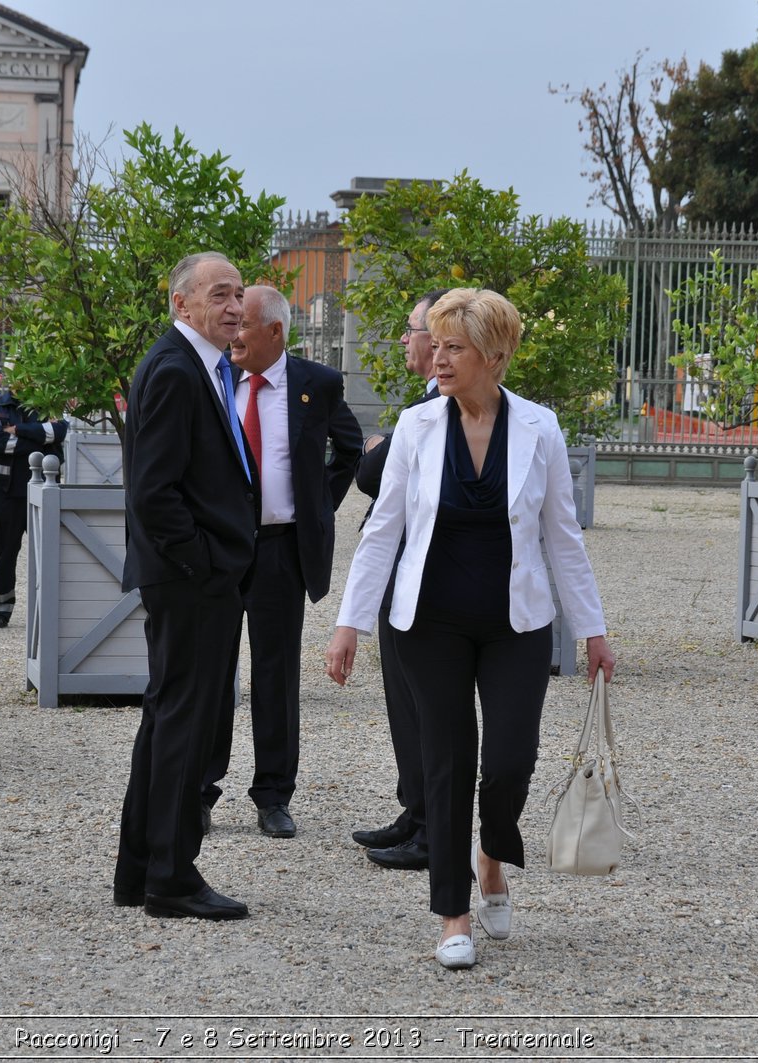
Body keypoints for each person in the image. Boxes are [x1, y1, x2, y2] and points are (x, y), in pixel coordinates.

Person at [325, 288, 615, 971]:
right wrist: (349, 623)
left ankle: (493, 852)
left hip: (516, 623)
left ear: (495, 354)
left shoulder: (540, 429)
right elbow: (383, 531)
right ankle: (453, 910)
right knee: (447, 763)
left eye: (454, 345)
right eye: (436, 341)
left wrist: (593, 630)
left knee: (510, 761)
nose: (438, 355)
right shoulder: (417, 426)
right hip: (430, 623)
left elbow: (563, 539)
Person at [113, 252, 258, 921]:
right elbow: (153, 491)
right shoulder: (176, 369)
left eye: (238, 295)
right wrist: (201, 562)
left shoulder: (204, 365)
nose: (234, 307)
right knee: (184, 725)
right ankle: (172, 875)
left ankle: (141, 867)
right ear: (181, 304)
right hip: (191, 580)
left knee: (169, 718)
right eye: (218, 295)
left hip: (195, 577)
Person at [201, 285, 362, 839]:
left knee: (275, 676)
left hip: (278, 552)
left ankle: (273, 795)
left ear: (274, 331)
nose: (233, 335)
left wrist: (317, 507)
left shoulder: (316, 384)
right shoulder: (213, 379)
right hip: (221, 553)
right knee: (213, 673)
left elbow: (349, 449)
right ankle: (201, 789)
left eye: (242, 325)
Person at [349, 289, 449, 871]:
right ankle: (415, 812)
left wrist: (380, 449)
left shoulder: (439, 409)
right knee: (402, 703)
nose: (404, 339)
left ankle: (432, 828)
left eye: (410, 329)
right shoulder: (423, 401)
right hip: (398, 567)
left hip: (423, 573)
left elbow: (370, 472)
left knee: (423, 706)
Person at [0, 389, 68, 629]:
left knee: (50, 553)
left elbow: (59, 432)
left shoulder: (48, 402)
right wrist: (41, 440)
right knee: (5, 552)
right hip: (8, 494)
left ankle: (51, 611)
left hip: (46, 494)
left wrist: (18, 430)